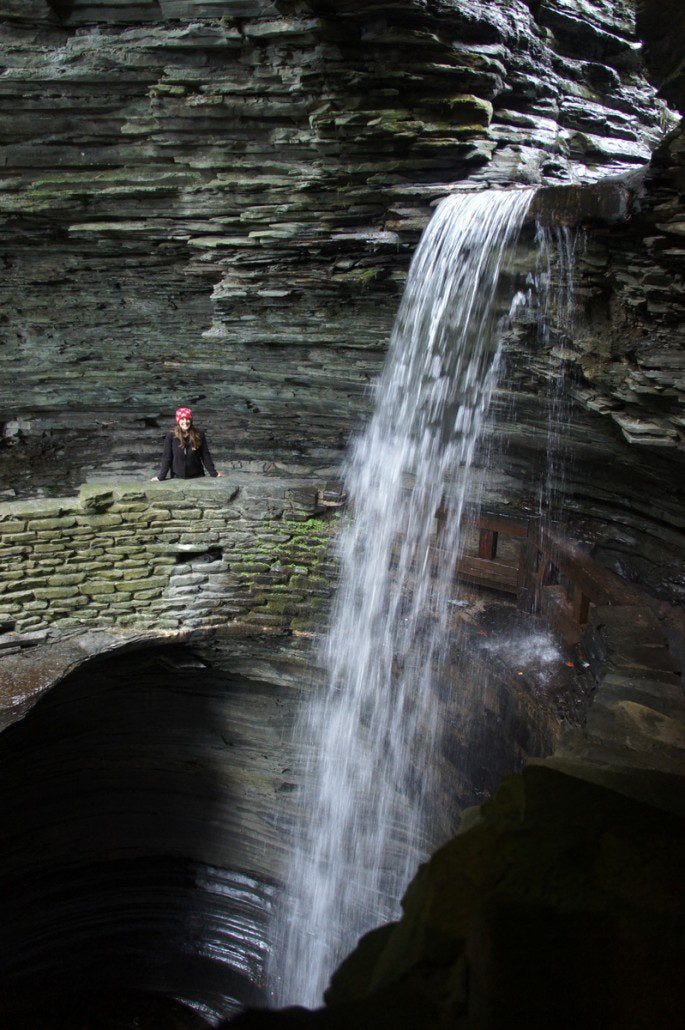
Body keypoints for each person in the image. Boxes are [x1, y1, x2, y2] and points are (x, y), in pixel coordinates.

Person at [150, 407, 223, 481]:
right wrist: (161, 476)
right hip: (177, 476)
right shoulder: (171, 435)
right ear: (178, 421)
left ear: (191, 420)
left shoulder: (199, 434)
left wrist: (213, 473)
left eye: (187, 419)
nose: (185, 422)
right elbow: (167, 456)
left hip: (197, 475)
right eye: (182, 419)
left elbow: (205, 455)